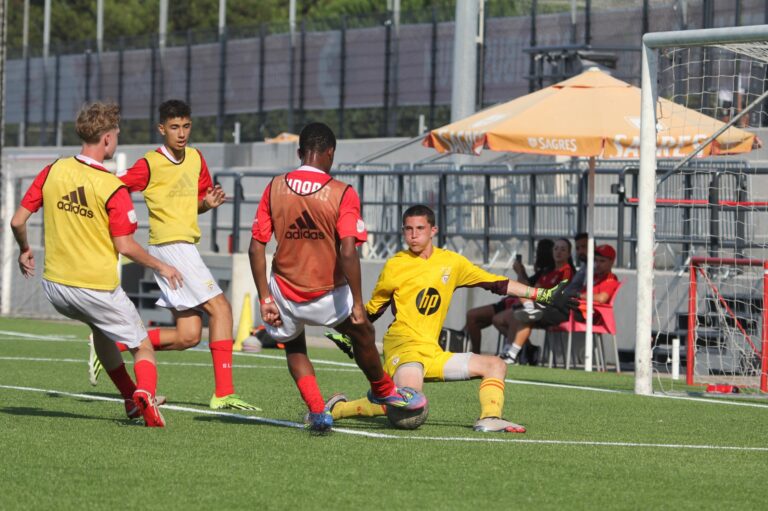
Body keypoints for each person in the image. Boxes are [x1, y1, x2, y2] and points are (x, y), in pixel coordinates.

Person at [9, 102, 182, 427]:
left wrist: (25, 249)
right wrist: (162, 266)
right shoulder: (112, 187)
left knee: (100, 331)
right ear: (106, 139)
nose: (116, 139)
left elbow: (18, 220)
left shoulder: (53, 170)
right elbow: (125, 245)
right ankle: (145, 393)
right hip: (95, 287)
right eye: (115, 134)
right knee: (142, 347)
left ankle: (131, 400)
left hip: (56, 289)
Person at [326, 205, 570, 433]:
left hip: (432, 351)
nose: (413, 235)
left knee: (495, 365)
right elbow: (374, 309)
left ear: (433, 230)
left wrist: (541, 294)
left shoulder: (452, 262)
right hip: (404, 346)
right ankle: (339, 409)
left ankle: (489, 418)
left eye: (420, 228)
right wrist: (350, 333)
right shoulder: (395, 265)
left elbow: (496, 283)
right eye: (408, 229)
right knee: (407, 404)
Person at [248, 122, 427, 432]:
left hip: (283, 292)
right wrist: (358, 302)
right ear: (330, 153)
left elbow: (255, 248)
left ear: (300, 153)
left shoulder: (274, 187)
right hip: (328, 294)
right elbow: (347, 251)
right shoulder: (342, 192)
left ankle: (318, 412)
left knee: (295, 347)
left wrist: (265, 297)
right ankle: (384, 389)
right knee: (362, 333)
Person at [95, 99, 258, 411]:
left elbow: (194, 203)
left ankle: (111, 346)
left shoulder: (196, 159)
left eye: (185, 126)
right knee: (221, 309)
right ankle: (223, 392)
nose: (181, 133)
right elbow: (113, 186)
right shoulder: (149, 163)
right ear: (162, 129)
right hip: (170, 247)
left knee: (188, 335)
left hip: (184, 245)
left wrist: (206, 204)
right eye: (174, 127)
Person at [464, 239, 554, 354]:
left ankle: (519, 350)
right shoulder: (542, 272)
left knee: (504, 317)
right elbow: (528, 284)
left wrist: (520, 272)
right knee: (472, 318)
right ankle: (527, 349)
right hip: (509, 302)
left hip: (516, 305)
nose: (536, 255)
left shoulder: (553, 273)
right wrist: (522, 272)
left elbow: (526, 289)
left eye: (538, 252)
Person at [512, 243, 620, 339]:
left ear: (611, 262)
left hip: (581, 313)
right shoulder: (594, 277)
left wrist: (578, 294)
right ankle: (512, 352)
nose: (598, 264)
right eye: (596, 260)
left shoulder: (610, 278)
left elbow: (602, 298)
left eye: (602, 261)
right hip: (572, 309)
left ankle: (530, 308)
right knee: (527, 311)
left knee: (534, 309)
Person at [498, 238, 575, 364]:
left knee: (524, 301)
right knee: (513, 315)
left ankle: (511, 353)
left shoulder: (567, 271)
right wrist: (521, 273)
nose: (558, 252)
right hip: (540, 305)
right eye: (556, 248)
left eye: (563, 249)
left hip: (556, 309)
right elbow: (534, 289)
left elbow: (557, 292)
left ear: (569, 254)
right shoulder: (547, 271)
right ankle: (511, 354)